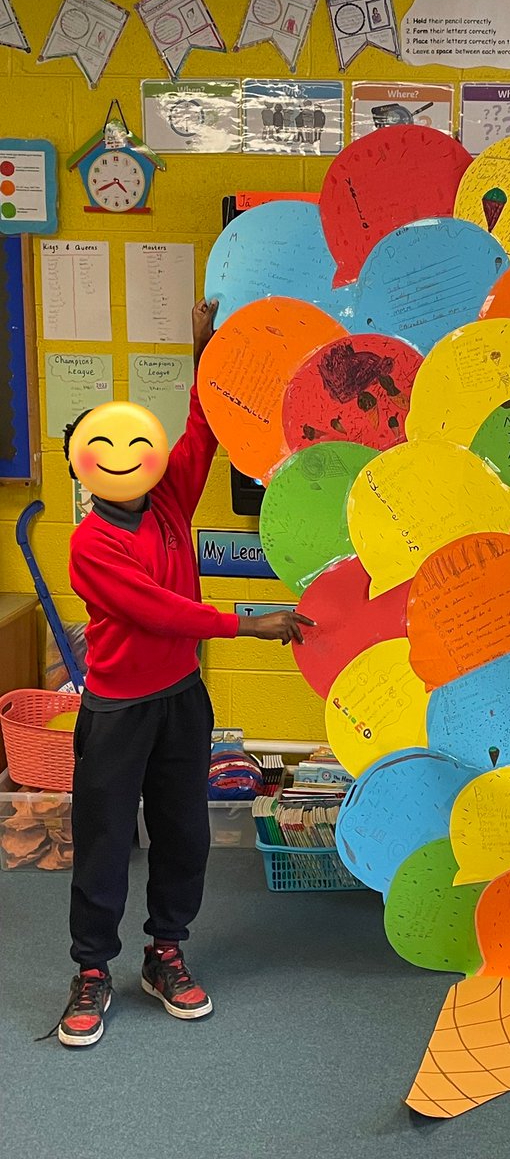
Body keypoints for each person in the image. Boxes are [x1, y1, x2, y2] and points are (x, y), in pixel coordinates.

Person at [49, 298, 314, 1048]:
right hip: (117, 710)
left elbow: (202, 427)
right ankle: (92, 970)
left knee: (184, 834)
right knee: (104, 841)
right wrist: (249, 622)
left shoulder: (168, 499)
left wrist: (205, 354)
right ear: (86, 466)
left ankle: (165, 951)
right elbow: (161, 611)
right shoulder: (90, 543)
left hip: (179, 702)